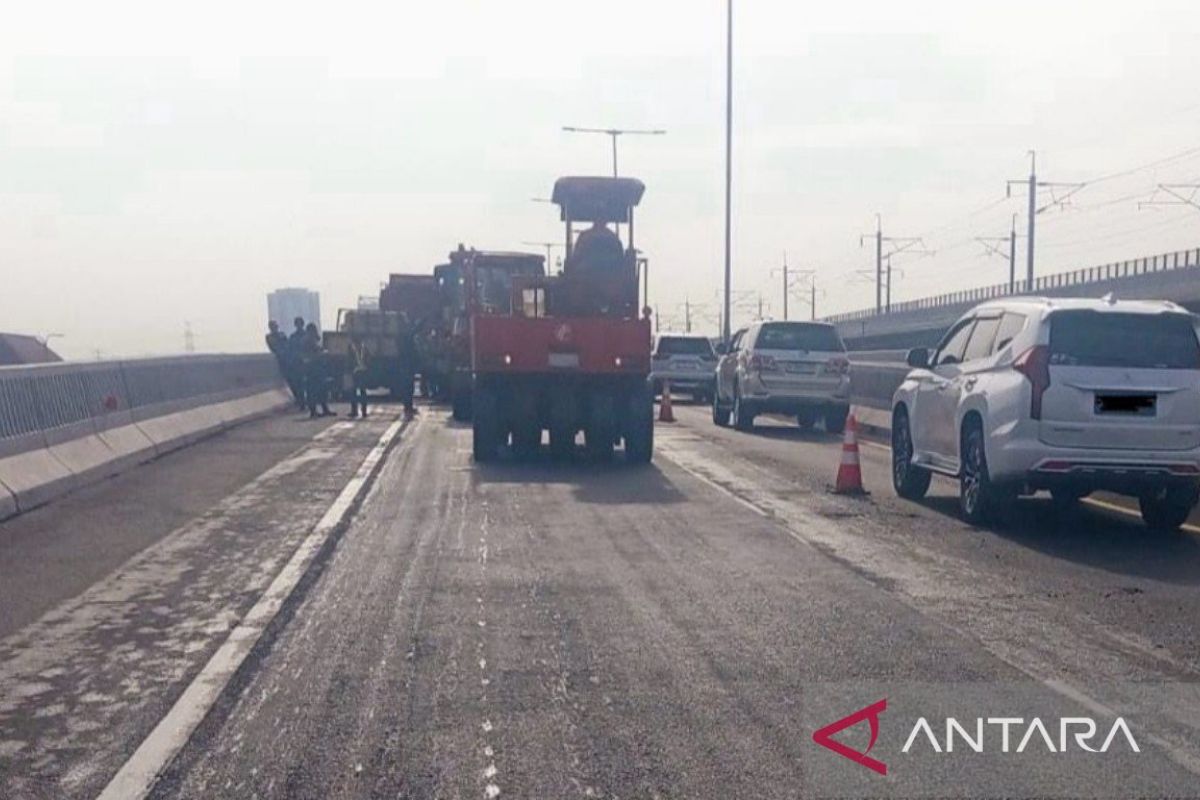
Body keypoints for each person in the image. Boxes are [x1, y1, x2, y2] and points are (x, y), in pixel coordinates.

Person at [266, 320, 304, 408]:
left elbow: (288, 345)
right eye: (273, 326)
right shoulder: (269, 337)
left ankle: (301, 400)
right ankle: (299, 399)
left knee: (298, 382)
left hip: (291, 361)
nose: (275, 327)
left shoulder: (282, 334)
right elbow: (274, 347)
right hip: (283, 362)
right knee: (291, 382)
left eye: (276, 325)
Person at [302, 322, 335, 418]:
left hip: (317, 368)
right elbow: (310, 355)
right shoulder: (307, 341)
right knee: (313, 391)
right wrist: (322, 353)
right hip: (312, 369)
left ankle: (323, 409)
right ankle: (314, 411)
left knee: (321, 390)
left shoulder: (313, 340)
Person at [396, 315, 419, 418]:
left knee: (408, 386)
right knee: (408, 387)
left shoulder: (402, 335)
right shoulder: (404, 335)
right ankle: (407, 407)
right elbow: (414, 331)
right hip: (407, 363)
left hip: (407, 363)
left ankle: (408, 406)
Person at [287, 316, 309, 410]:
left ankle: (307, 402)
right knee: (299, 385)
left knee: (307, 384)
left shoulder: (307, 335)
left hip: (307, 363)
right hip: (297, 363)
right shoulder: (293, 337)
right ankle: (302, 403)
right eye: (298, 323)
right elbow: (290, 350)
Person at [347, 333, 371, 419]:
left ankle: (355, 411)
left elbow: (348, 360)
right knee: (362, 391)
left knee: (354, 391)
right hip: (363, 371)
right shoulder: (364, 348)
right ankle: (363, 411)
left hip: (355, 371)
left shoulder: (351, 348)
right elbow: (369, 359)